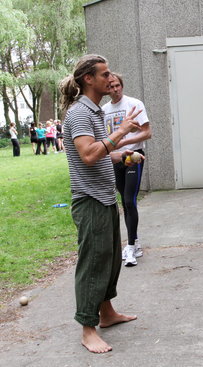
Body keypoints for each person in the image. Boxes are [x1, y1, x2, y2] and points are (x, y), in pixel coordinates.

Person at [59, 54, 143, 353]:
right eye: (105, 74)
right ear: (88, 79)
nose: (111, 78)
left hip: (104, 196)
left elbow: (100, 152)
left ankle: (106, 314)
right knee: (93, 264)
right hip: (90, 200)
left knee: (109, 260)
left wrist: (122, 154)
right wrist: (121, 132)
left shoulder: (93, 112)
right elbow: (88, 155)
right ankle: (87, 328)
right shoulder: (80, 113)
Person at [103, 73, 152, 267]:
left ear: (121, 86)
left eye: (117, 85)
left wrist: (123, 141)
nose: (115, 89)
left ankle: (130, 247)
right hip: (115, 159)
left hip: (134, 156)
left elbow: (147, 132)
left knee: (130, 200)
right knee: (125, 201)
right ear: (106, 89)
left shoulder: (134, 104)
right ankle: (136, 243)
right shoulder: (103, 110)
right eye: (111, 86)